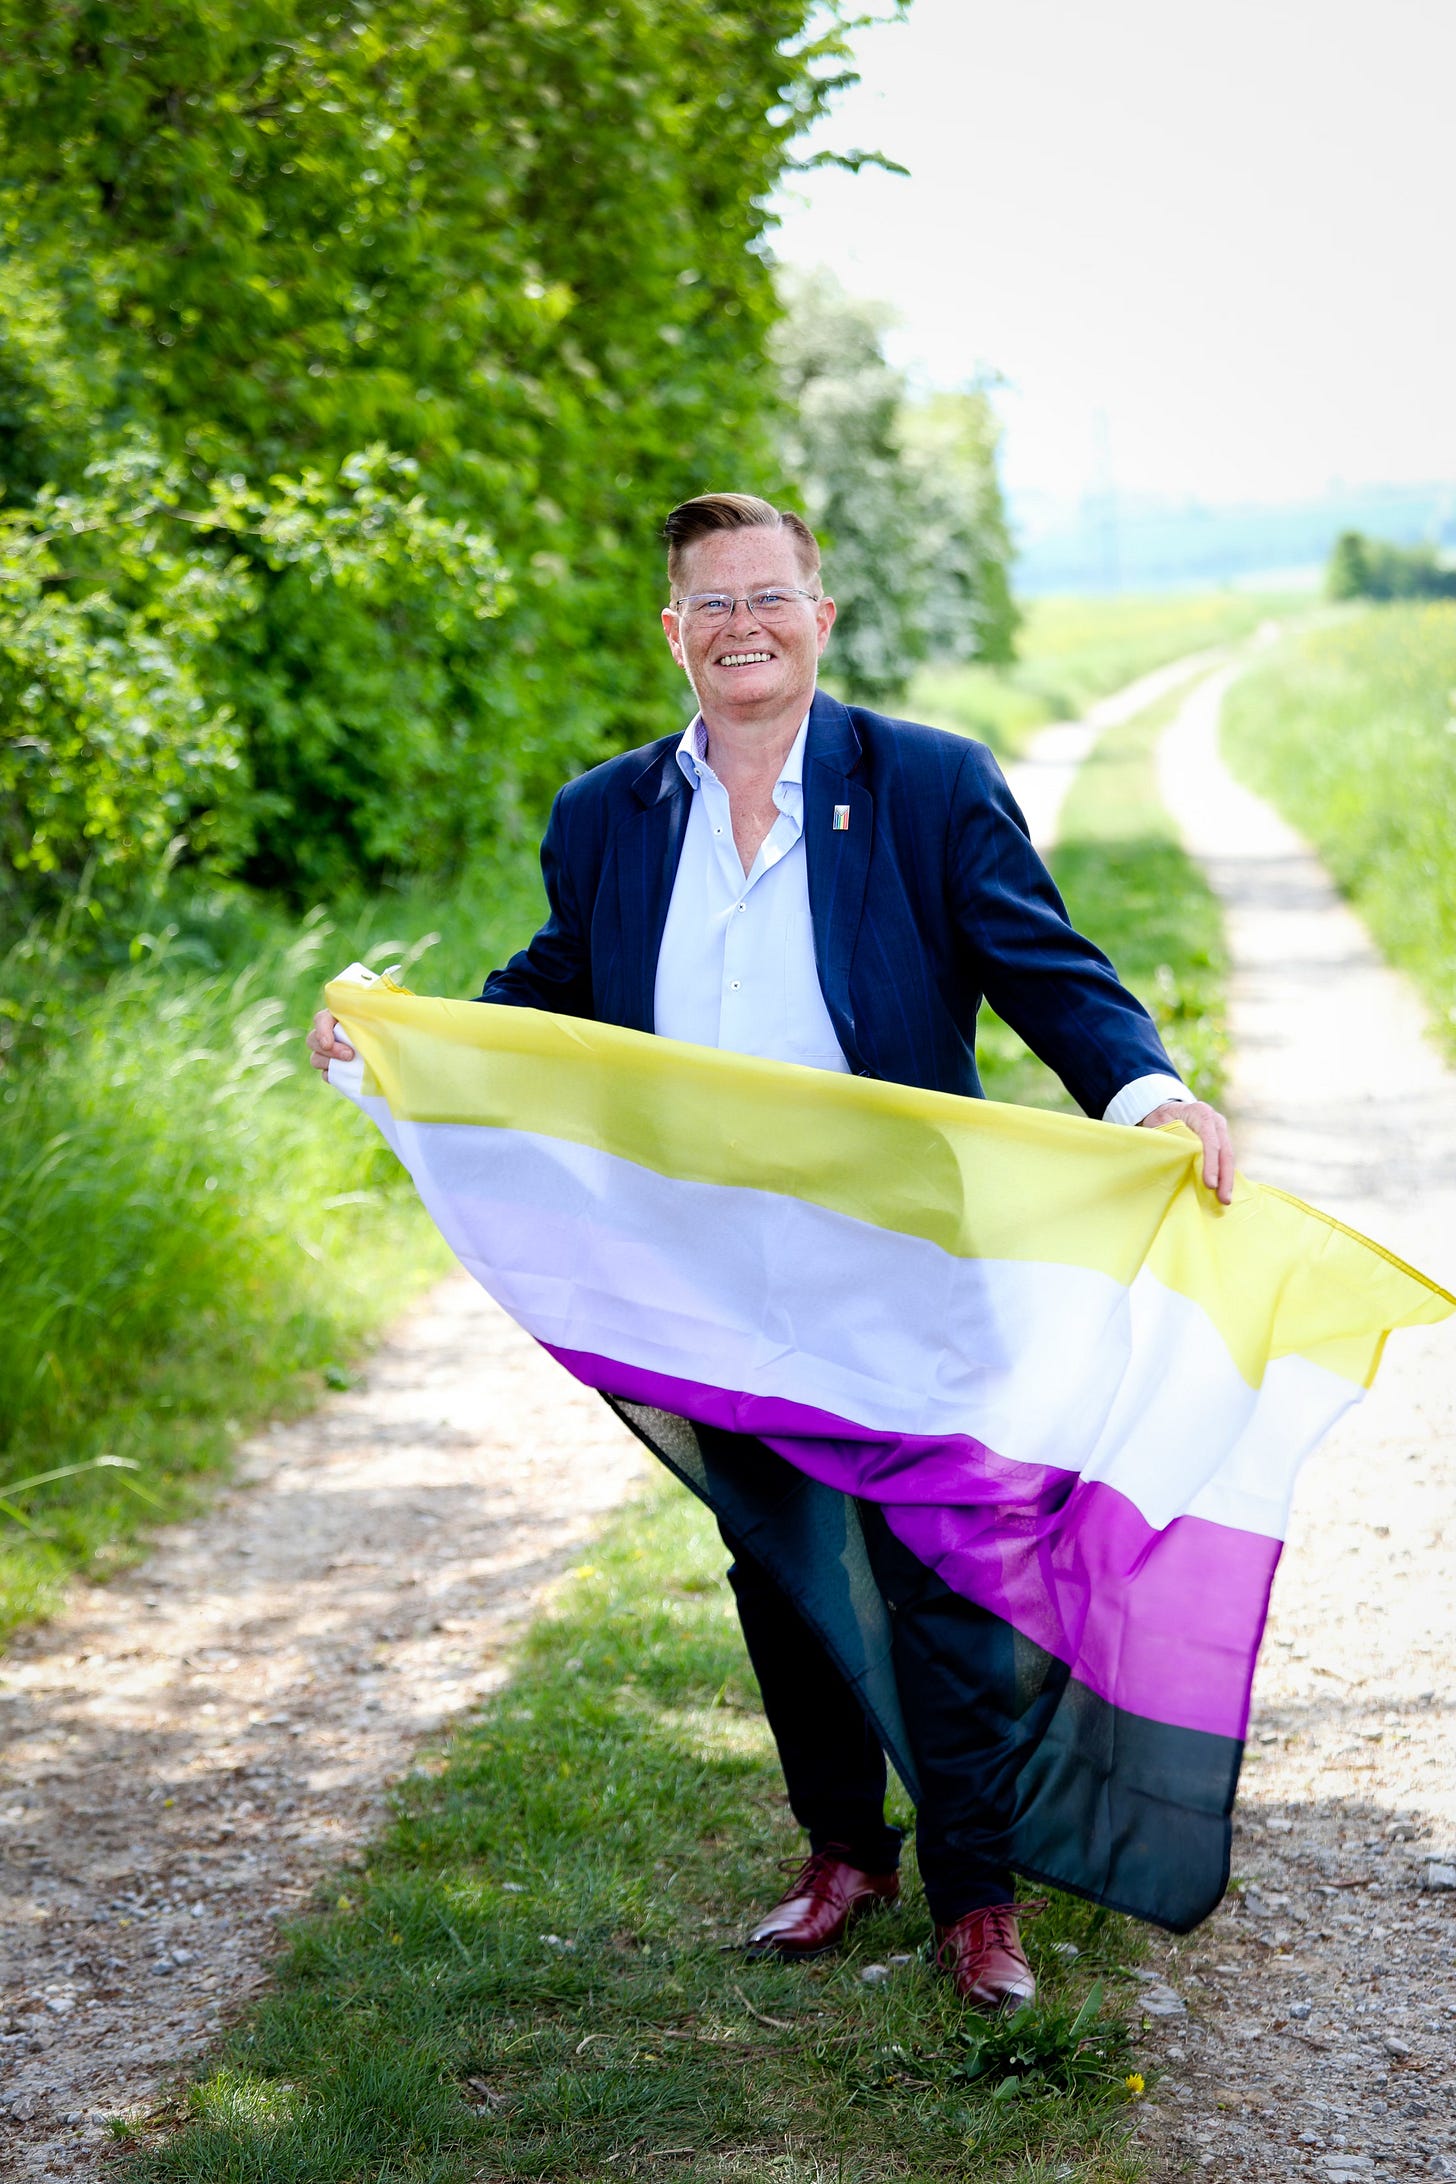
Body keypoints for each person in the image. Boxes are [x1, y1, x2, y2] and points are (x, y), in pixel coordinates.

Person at [309, 492, 1234, 2009]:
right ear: (674, 632)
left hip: (901, 1259)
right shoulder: (607, 812)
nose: (742, 624)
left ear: (821, 615)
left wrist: (1146, 1088)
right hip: (715, 1278)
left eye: (769, 596)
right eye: (711, 603)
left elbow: (1045, 967)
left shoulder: (926, 782)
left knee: (937, 1565)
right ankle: (840, 1853)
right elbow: (558, 986)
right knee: (779, 1561)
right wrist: (403, 1045)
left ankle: (977, 1899)